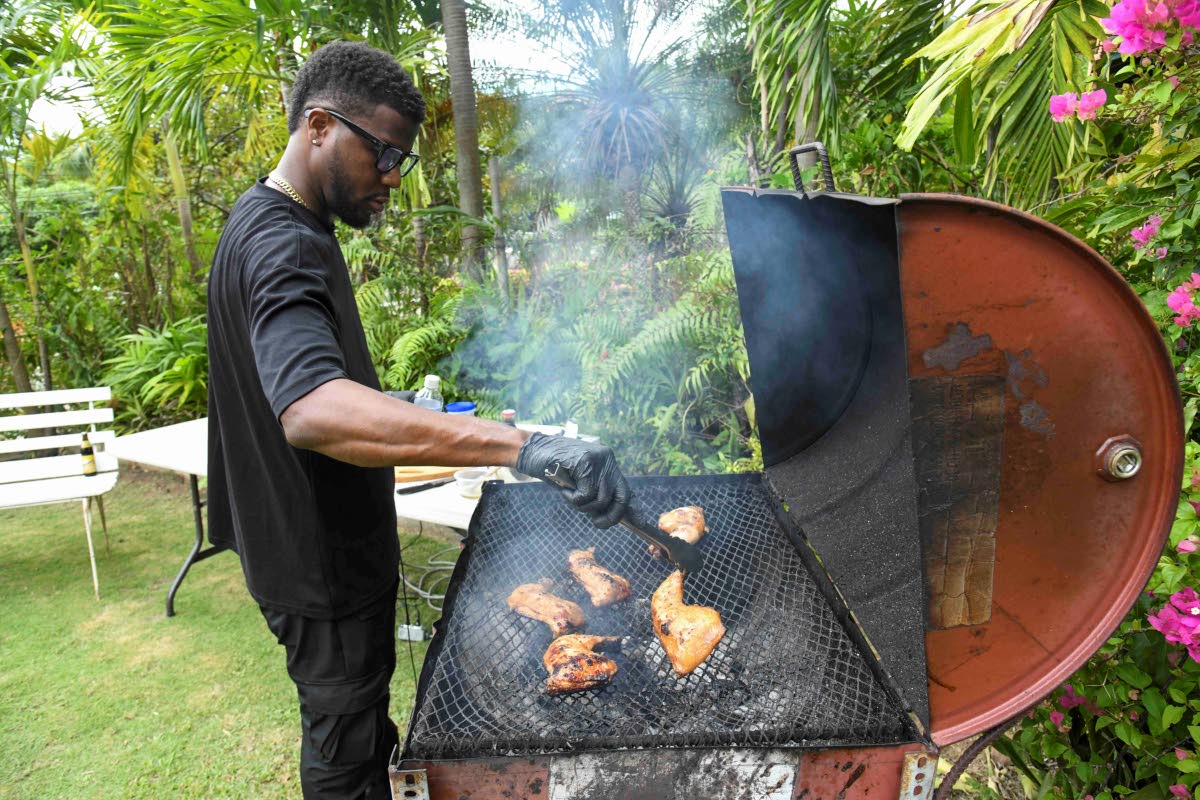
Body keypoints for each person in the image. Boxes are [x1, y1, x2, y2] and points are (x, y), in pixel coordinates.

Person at [206, 40, 630, 799]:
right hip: (322, 565)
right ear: (318, 126)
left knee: (358, 728)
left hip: (300, 548)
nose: (394, 177)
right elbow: (310, 409)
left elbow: (309, 382)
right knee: (345, 754)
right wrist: (522, 446)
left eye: (401, 159)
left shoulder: (262, 216)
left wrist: (420, 412)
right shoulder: (283, 243)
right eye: (383, 153)